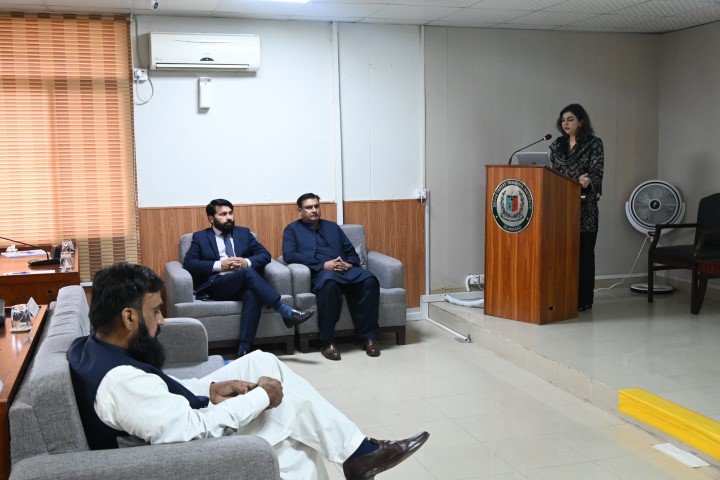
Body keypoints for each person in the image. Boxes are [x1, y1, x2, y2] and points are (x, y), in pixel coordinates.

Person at [67, 263, 429, 480]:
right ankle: (357, 453)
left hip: (179, 418)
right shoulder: (122, 383)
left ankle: (357, 452)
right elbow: (191, 433)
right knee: (289, 422)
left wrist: (212, 388)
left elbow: (163, 387)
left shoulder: (93, 347)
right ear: (129, 317)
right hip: (184, 452)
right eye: (156, 311)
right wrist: (260, 398)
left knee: (264, 361)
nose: (162, 320)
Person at [183, 198, 314, 356]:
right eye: (223, 214)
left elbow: (265, 255)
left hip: (245, 283)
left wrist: (246, 262)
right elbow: (189, 263)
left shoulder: (244, 233)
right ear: (211, 218)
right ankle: (284, 311)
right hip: (218, 285)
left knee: (252, 293)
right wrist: (220, 265)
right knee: (247, 273)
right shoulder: (201, 237)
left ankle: (244, 349)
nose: (229, 217)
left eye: (230, 213)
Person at [282, 193, 381, 361]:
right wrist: (322, 265)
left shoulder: (333, 227)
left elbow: (351, 252)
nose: (314, 210)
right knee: (329, 284)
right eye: (309, 207)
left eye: (316, 206)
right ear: (299, 210)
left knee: (369, 280)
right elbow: (289, 255)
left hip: (345, 270)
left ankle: (369, 337)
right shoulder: (292, 230)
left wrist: (349, 264)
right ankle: (327, 341)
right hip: (321, 273)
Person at [548, 104, 604, 312]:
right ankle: (562, 296)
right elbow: (552, 174)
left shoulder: (594, 144)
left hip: (584, 210)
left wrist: (587, 182)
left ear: (581, 122)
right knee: (561, 254)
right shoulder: (557, 145)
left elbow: (596, 173)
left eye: (570, 119)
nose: (565, 123)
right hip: (560, 209)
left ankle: (583, 300)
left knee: (583, 255)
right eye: (563, 120)